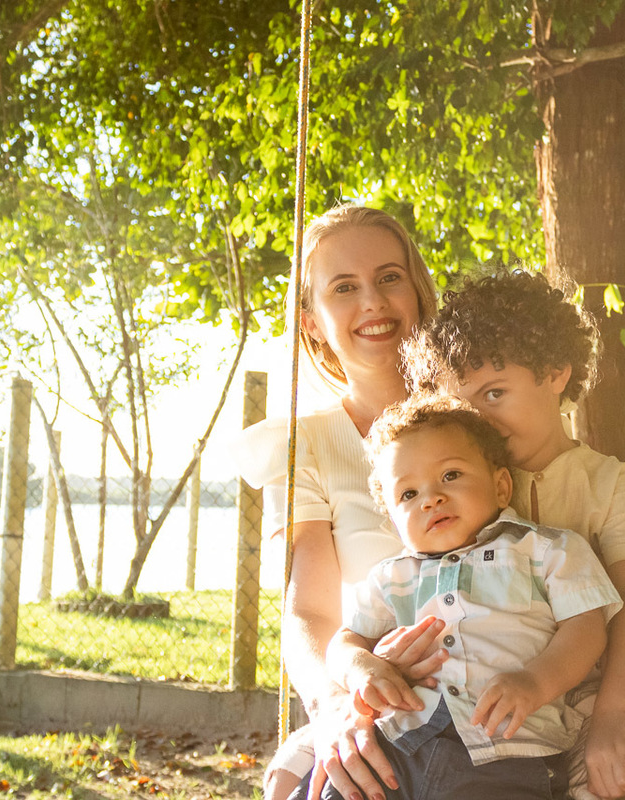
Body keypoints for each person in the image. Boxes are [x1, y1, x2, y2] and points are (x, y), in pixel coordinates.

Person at [402, 270, 625, 800]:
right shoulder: (453, 487)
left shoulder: (605, 482)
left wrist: (616, 712)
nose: (479, 420)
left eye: (495, 393)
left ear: (555, 373)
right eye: (463, 405)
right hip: (483, 696)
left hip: (599, 688)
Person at [295, 394, 623, 800]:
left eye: (450, 475)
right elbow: (345, 641)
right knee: (333, 788)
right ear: (394, 523)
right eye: (408, 494)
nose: (431, 498)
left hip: (504, 749)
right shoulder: (392, 576)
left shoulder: (545, 550)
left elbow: (586, 628)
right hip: (397, 745)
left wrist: (536, 681)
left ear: (501, 486)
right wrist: (362, 668)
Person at [233, 203, 439, 800]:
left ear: (417, 292)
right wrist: (331, 707)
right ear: (313, 323)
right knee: (303, 782)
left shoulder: (477, 419)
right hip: (367, 685)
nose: (372, 301)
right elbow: (309, 610)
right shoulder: (307, 445)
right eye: (344, 287)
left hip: (497, 676)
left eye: (390, 277)